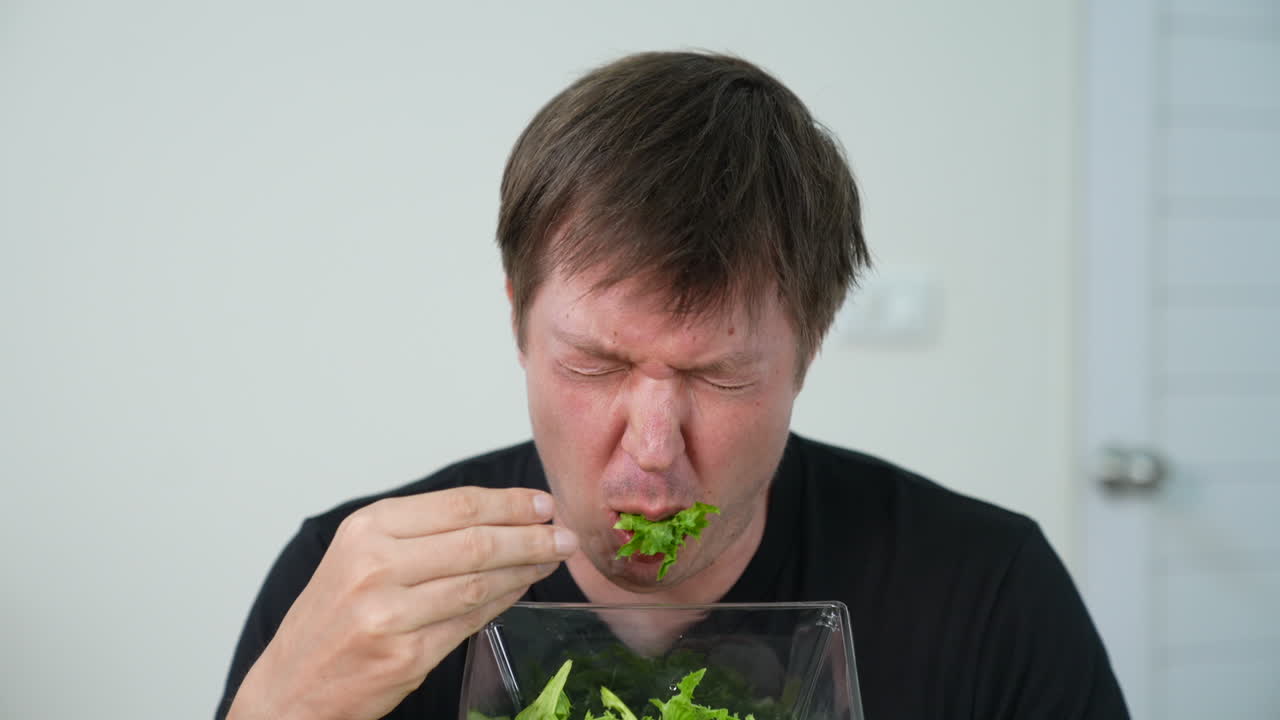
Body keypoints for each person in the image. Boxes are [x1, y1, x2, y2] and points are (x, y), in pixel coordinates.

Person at [217, 51, 1128, 720]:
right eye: (595, 365)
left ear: (808, 350)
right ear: (516, 324)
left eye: (720, 376)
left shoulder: (986, 590)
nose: (652, 452)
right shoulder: (346, 588)